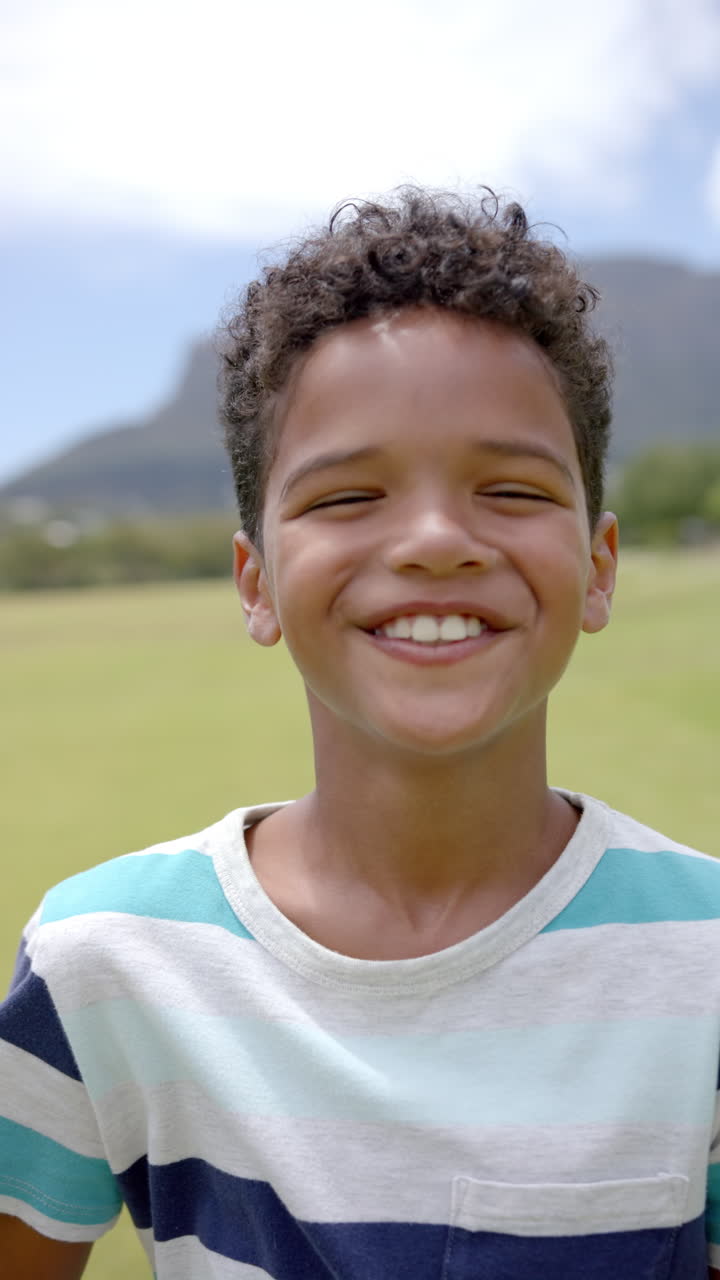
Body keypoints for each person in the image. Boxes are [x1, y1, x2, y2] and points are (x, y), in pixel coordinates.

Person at [1, 187, 719, 1280]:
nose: (435, 539)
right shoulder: (102, 959)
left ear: (598, 566)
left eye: (511, 488)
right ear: (256, 582)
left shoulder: (704, 959)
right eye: (346, 498)